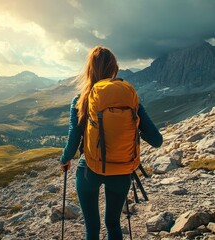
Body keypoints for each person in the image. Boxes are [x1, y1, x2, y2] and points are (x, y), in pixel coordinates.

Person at [60, 46, 163, 240]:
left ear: (89, 70)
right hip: (122, 171)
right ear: (114, 68)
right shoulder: (130, 98)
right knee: (113, 224)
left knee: (92, 228)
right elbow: (157, 140)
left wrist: (64, 159)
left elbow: (73, 139)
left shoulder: (81, 100)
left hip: (89, 170)